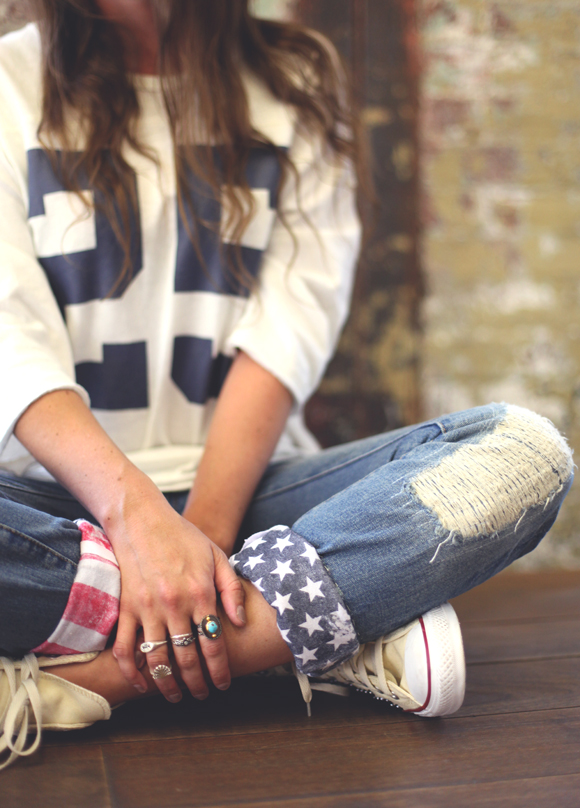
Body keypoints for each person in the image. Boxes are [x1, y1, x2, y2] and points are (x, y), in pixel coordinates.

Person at [0, 0, 573, 770]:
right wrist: (138, 526)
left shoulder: (295, 82)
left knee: (523, 453)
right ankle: (317, 624)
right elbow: (13, 346)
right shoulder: (8, 83)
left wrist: (194, 547)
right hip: (55, 504)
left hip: (251, 495)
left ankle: (98, 677)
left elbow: (284, 339)